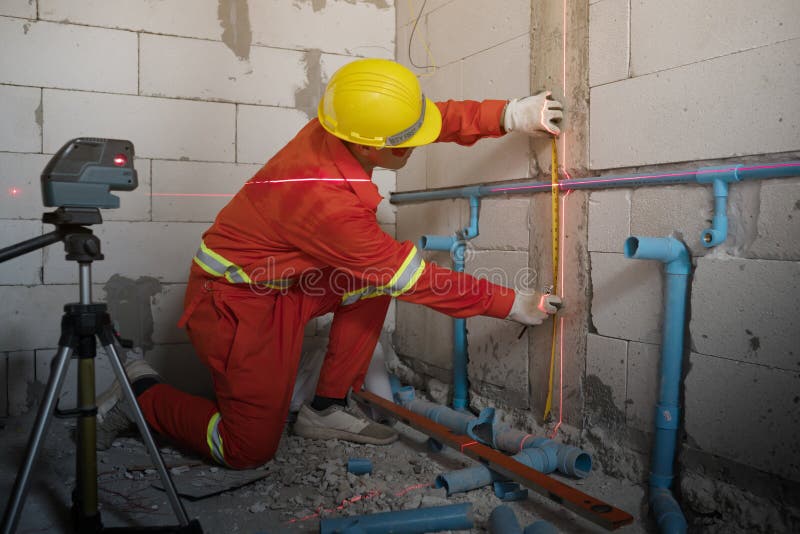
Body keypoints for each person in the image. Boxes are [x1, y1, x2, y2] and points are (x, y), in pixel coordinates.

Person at [96, 58, 564, 469]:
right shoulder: (327, 202)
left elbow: (424, 120)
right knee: (246, 448)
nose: (416, 146)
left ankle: (325, 407)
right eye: (405, 145)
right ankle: (141, 393)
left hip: (282, 280)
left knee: (372, 282)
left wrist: (507, 115)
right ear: (364, 146)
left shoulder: (346, 122)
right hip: (236, 305)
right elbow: (415, 279)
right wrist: (510, 303)